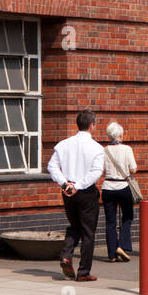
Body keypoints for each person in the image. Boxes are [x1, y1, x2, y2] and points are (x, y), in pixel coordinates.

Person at [48, 108, 105, 282]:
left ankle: (66, 255)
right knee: (88, 231)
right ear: (92, 125)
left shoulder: (64, 144)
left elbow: (51, 166)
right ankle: (84, 271)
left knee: (75, 226)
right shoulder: (97, 148)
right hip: (86, 191)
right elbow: (96, 172)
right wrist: (78, 186)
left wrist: (65, 183)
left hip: (68, 191)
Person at [102, 122, 137, 263]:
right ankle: (122, 246)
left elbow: (102, 171)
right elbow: (133, 169)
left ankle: (111, 254)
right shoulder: (127, 149)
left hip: (107, 187)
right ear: (121, 135)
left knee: (110, 221)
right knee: (127, 217)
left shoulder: (104, 150)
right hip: (123, 186)